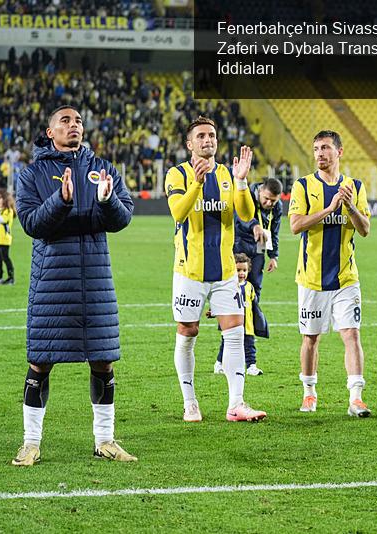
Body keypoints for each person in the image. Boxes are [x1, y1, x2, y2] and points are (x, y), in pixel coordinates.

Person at [11, 105, 136, 466]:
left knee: (103, 361)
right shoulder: (32, 174)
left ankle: (106, 440)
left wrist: (108, 200)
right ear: (50, 132)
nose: (74, 125)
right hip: (52, 280)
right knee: (40, 363)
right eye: (65, 121)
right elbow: (33, 223)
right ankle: (31, 443)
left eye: (78, 121)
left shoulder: (103, 170)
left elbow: (123, 217)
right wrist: (61, 201)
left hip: (95, 279)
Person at [164, 116, 266, 423]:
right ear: (190, 144)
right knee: (188, 331)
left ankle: (236, 403)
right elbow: (179, 212)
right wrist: (196, 183)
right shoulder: (177, 174)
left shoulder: (226, 173)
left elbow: (247, 214)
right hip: (189, 271)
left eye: (212, 135)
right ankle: (190, 402)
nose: (208, 140)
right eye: (202, 136)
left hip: (224, 272)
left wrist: (242, 180)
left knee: (234, 332)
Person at [288, 130, 372, 417]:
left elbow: (364, 230)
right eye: (316, 149)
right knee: (311, 338)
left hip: (346, 278)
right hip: (312, 278)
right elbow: (296, 226)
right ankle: (309, 393)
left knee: (351, 334)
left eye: (325, 148)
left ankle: (356, 398)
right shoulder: (302, 186)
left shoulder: (355, 187)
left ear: (339, 152)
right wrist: (330, 208)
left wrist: (348, 206)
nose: (320, 153)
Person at [213, 253, 269, 376]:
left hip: (247, 325)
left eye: (244, 270)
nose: (241, 273)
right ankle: (219, 363)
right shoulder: (228, 286)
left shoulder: (250, 287)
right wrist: (213, 312)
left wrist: (259, 321)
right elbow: (221, 302)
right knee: (226, 344)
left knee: (250, 346)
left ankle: (251, 366)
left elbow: (254, 306)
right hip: (231, 324)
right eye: (238, 270)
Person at [233, 177, 283, 299]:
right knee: (235, 283)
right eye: (266, 199)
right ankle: (234, 316)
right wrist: (254, 225)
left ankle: (252, 315)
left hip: (258, 247)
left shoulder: (277, 207)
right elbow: (239, 218)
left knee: (255, 285)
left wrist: (273, 256)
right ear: (260, 191)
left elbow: (274, 232)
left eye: (273, 201)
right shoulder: (246, 195)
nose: (269, 203)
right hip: (240, 244)